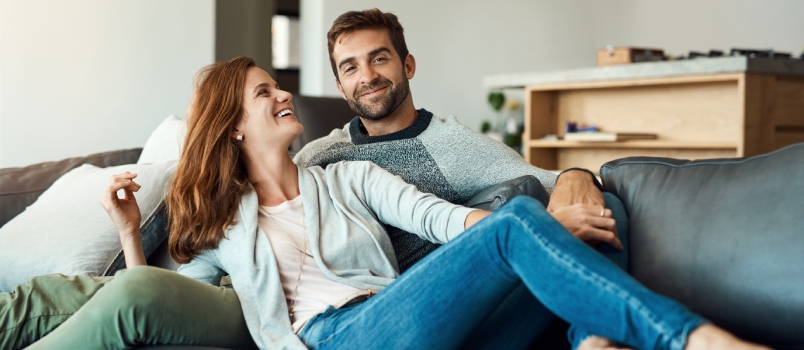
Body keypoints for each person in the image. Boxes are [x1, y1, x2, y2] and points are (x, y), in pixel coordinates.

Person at [7, 57, 768, 350]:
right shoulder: (219, 219)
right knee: (514, 233)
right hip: (335, 340)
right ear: (233, 125)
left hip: (402, 318)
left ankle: (593, 343)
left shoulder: (350, 176)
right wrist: (127, 233)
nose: (283, 96)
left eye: (278, 87)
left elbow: (445, 221)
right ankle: (693, 343)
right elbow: (161, 305)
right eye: (264, 92)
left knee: (593, 205)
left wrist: (539, 218)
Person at [292, 8, 626, 349]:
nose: (367, 76)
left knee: (605, 208)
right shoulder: (318, 158)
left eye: (379, 58)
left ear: (408, 65)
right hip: (389, 321)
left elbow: (549, 182)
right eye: (351, 67)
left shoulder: (450, 145)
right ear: (340, 85)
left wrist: (578, 175)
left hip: (473, 310)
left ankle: (593, 339)